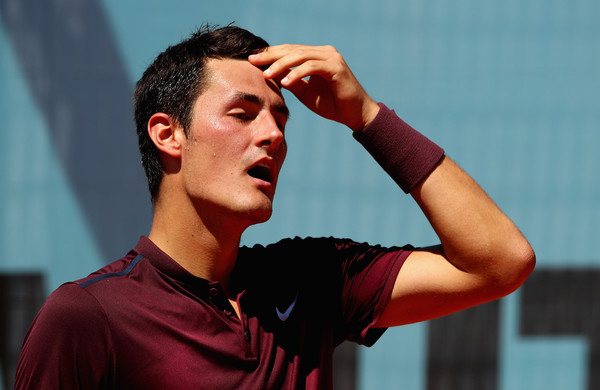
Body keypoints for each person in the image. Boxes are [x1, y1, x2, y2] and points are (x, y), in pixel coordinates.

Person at [14, 25, 535, 389]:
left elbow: (500, 261)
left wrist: (367, 117)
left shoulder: (311, 280)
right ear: (168, 134)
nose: (272, 136)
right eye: (243, 114)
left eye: (281, 120)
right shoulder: (86, 317)